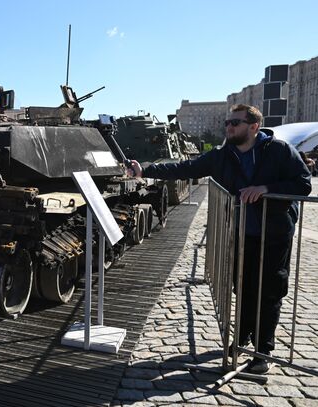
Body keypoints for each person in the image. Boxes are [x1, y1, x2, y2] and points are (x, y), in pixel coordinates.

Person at [128, 104, 312, 374]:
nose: (229, 127)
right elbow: (186, 168)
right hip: (241, 233)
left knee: (269, 292)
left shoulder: (279, 151)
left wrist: (266, 189)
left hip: (273, 235)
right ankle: (243, 338)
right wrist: (146, 170)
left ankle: (262, 353)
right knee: (244, 288)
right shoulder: (222, 155)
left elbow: (303, 183)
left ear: (253, 126)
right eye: (227, 122)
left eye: (235, 123)